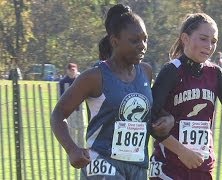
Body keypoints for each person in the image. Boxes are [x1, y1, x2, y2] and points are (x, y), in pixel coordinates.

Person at [51, 4, 173, 180]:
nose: (142, 46)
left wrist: (168, 119)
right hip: (102, 162)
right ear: (115, 41)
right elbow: (58, 114)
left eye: (145, 39)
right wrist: (72, 149)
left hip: (137, 165)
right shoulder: (95, 76)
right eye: (134, 40)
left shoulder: (145, 72)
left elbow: (149, 112)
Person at [149, 13, 222, 180]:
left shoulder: (215, 73)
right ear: (185, 38)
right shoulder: (171, 71)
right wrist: (182, 152)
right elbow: (151, 120)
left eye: (213, 41)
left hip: (201, 167)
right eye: (203, 39)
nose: (209, 45)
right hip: (169, 167)